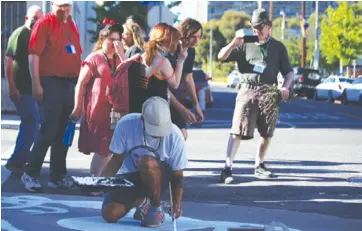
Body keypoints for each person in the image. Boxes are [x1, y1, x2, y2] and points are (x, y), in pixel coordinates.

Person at [217, 8, 294, 183]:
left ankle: (259, 165)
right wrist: (233, 43)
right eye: (254, 27)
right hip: (247, 90)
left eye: (260, 27)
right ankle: (227, 168)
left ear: (268, 27)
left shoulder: (278, 47)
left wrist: (286, 87)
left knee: (267, 132)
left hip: (269, 92)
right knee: (237, 130)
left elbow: (289, 72)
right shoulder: (245, 43)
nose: (256, 31)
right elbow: (221, 56)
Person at [21, 0, 82, 192]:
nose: (65, 9)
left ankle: (57, 175)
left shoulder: (71, 23)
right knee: (48, 129)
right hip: (50, 81)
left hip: (68, 83)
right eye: (61, 5)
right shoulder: (44, 23)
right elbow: (33, 55)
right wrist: (36, 83)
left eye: (68, 5)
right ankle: (30, 173)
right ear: (52, 4)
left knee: (63, 133)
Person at [101, 96, 187, 228]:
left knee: (147, 162)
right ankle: (142, 203)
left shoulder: (175, 135)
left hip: (160, 176)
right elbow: (116, 159)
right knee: (110, 214)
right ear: (142, 119)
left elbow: (177, 174)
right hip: (130, 178)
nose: (158, 133)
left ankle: (156, 207)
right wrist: (103, 182)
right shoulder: (126, 124)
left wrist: (177, 203)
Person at [69, 20, 126, 177]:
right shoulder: (94, 58)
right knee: (103, 147)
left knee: (112, 148)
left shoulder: (120, 58)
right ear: (102, 39)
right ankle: (95, 179)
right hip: (98, 109)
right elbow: (81, 84)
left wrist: (122, 55)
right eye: (111, 39)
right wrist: (77, 107)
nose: (115, 43)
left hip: (116, 110)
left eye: (117, 39)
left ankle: (102, 180)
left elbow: (130, 74)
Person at [4, 5, 43, 173]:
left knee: (32, 124)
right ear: (27, 18)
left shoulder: (38, 36)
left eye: (39, 19)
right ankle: (16, 160)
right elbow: (8, 61)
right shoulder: (20, 34)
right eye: (33, 18)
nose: (36, 22)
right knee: (32, 123)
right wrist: (12, 87)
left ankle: (21, 158)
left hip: (33, 89)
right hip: (22, 90)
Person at [128, 23, 187, 113]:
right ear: (170, 41)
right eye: (176, 40)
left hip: (137, 111)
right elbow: (175, 84)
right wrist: (181, 60)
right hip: (155, 114)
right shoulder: (162, 62)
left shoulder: (141, 57)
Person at [167, 18, 204, 140]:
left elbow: (188, 78)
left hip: (174, 95)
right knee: (175, 136)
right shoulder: (170, 49)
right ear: (184, 34)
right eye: (194, 36)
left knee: (182, 135)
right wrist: (182, 109)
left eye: (199, 37)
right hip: (159, 95)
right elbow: (162, 86)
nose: (197, 40)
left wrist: (196, 105)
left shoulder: (190, 51)